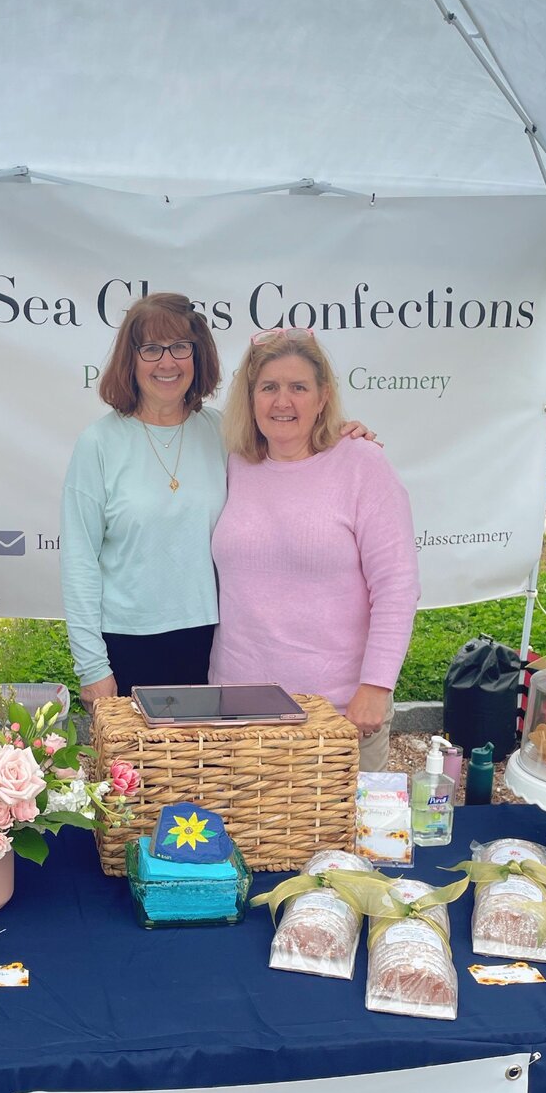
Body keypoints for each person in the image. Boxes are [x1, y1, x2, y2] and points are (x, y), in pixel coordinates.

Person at [61, 296, 377, 706]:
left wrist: (340, 435)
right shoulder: (98, 444)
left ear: (198, 356)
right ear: (130, 360)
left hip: (214, 644)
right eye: (151, 349)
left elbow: (293, 439)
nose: (167, 362)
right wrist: (92, 667)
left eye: (180, 347)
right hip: (126, 645)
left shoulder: (223, 433)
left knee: (210, 751)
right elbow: (79, 562)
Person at [208, 329, 419, 770]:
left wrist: (376, 686)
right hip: (239, 710)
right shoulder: (232, 462)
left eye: (298, 388)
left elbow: (396, 586)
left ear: (323, 397)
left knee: (342, 820)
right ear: (251, 398)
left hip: (338, 713)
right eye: (269, 387)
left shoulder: (362, 463)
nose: (282, 402)